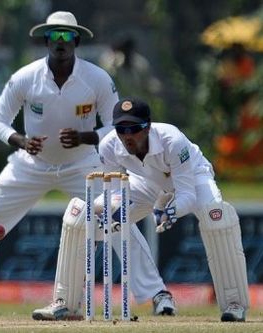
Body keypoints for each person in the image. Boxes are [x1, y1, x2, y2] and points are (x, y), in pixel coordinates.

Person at [0, 11, 175, 320]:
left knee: (116, 220)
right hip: (30, 164)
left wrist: (85, 136)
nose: (60, 42)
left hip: (83, 164)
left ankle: (157, 295)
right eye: (54, 36)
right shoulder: (25, 77)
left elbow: (114, 125)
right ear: (45, 40)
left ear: (76, 41)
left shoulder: (96, 78)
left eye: (67, 36)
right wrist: (21, 140)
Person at [96, 96, 249, 322]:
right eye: (121, 128)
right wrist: (114, 212)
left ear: (147, 126)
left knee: (217, 219)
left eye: (134, 128)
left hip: (193, 177)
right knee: (101, 214)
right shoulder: (109, 146)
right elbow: (115, 193)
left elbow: (187, 194)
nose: (127, 135)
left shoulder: (172, 140)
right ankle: (158, 295)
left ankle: (234, 303)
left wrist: (170, 211)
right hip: (145, 182)